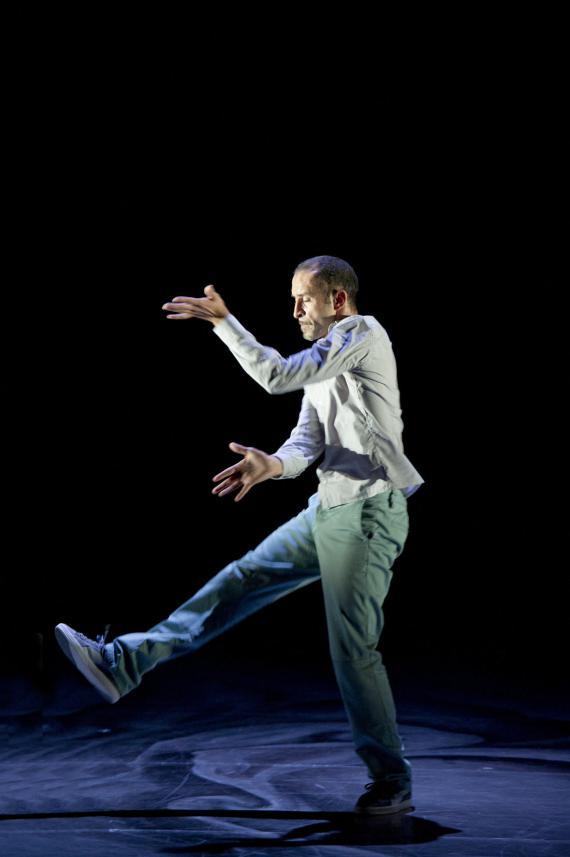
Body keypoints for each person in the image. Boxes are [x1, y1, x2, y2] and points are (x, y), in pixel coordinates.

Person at [55, 255, 425, 815]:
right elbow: (306, 442)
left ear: (337, 300)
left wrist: (225, 324)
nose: (295, 310)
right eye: (293, 298)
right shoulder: (328, 361)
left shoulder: (362, 333)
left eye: (305, 298)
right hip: (326, 509)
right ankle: (124, 663)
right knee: (240, 579)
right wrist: (272, 464)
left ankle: (391, 778)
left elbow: (276, 376)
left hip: (369, 516)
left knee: (353, 650)